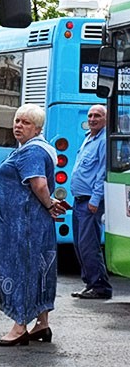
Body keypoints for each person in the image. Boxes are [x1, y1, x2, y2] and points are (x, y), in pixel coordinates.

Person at [0, 103, 64, 346]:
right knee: (38, 271)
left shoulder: (31, 152)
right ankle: (42, 324)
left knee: (20, 270)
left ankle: (19, 327)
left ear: (37, 129)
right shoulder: (34, 150)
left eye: (25, 122)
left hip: (23, 226)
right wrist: (49, 205)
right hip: (32, 223)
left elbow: (39, 184)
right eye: (17, 120)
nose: (18, 125)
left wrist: (48, 204)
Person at [70, 104, 113, 300]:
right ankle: (90, 284)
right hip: (79, 201)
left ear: (106, 118)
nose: (93, 118)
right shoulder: (89, 138)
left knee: (88, 245)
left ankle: (100, 287)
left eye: (98, 115)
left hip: (90, 202)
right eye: (90, 115)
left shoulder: (103, 140)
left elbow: (102, 172)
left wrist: (95, 200)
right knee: (80, 244)